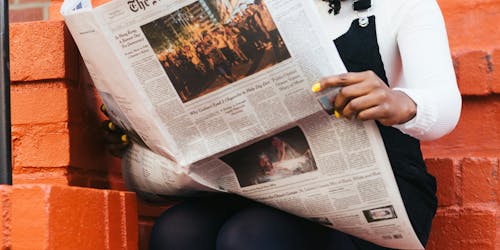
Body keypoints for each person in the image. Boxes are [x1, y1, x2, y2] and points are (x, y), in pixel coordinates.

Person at [105, 0, 461, 249]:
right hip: (272, 189)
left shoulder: (406, 4)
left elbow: (445, 104)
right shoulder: (260, 7)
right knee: (177, 231)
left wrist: (403, 103)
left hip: (372, 193)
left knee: (249, 238)